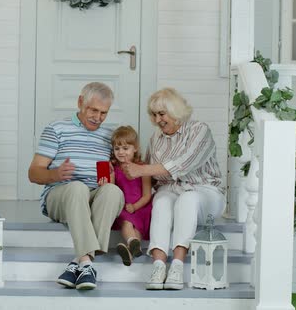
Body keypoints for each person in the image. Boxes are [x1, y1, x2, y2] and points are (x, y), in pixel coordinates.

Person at [121, 87, 226, 290]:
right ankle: (159, 265)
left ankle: (177, 265)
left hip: (205, 191)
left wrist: (140, 169)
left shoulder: (199, 130)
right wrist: (125, 173)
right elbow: (152, 178)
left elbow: (182, 165)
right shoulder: (156, 139)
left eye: (162, 113)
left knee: (187, 199)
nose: (158, 119)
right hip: (171, 190)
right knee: (160, 201)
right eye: (154, 115)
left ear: (175, 110)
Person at [28, 82, 124, 290]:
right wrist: (55, 174)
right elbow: (33, 173)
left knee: (113, 192)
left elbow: (120, 169)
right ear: (80, 102)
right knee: (77, 187)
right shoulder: (57, 129)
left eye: (103, 113)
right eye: (93, 110)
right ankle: (87, 261)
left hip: (94, 196)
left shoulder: (111, 135)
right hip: (61, 195)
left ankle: (80, 263)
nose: (97, 117)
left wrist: (113, 175)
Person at [103, 125, 152, 266]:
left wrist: (135, 206)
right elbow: (110, 188)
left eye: (125, 148)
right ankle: (132, 248)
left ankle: (131, 245)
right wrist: (109, 173)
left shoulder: (143, 168)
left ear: (135, 148)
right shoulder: (115, 168)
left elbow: (147, 195)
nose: (121, 152)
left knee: (132, 223)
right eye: (117, 149)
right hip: (124, 207)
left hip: (141, 206)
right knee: (127, 221)